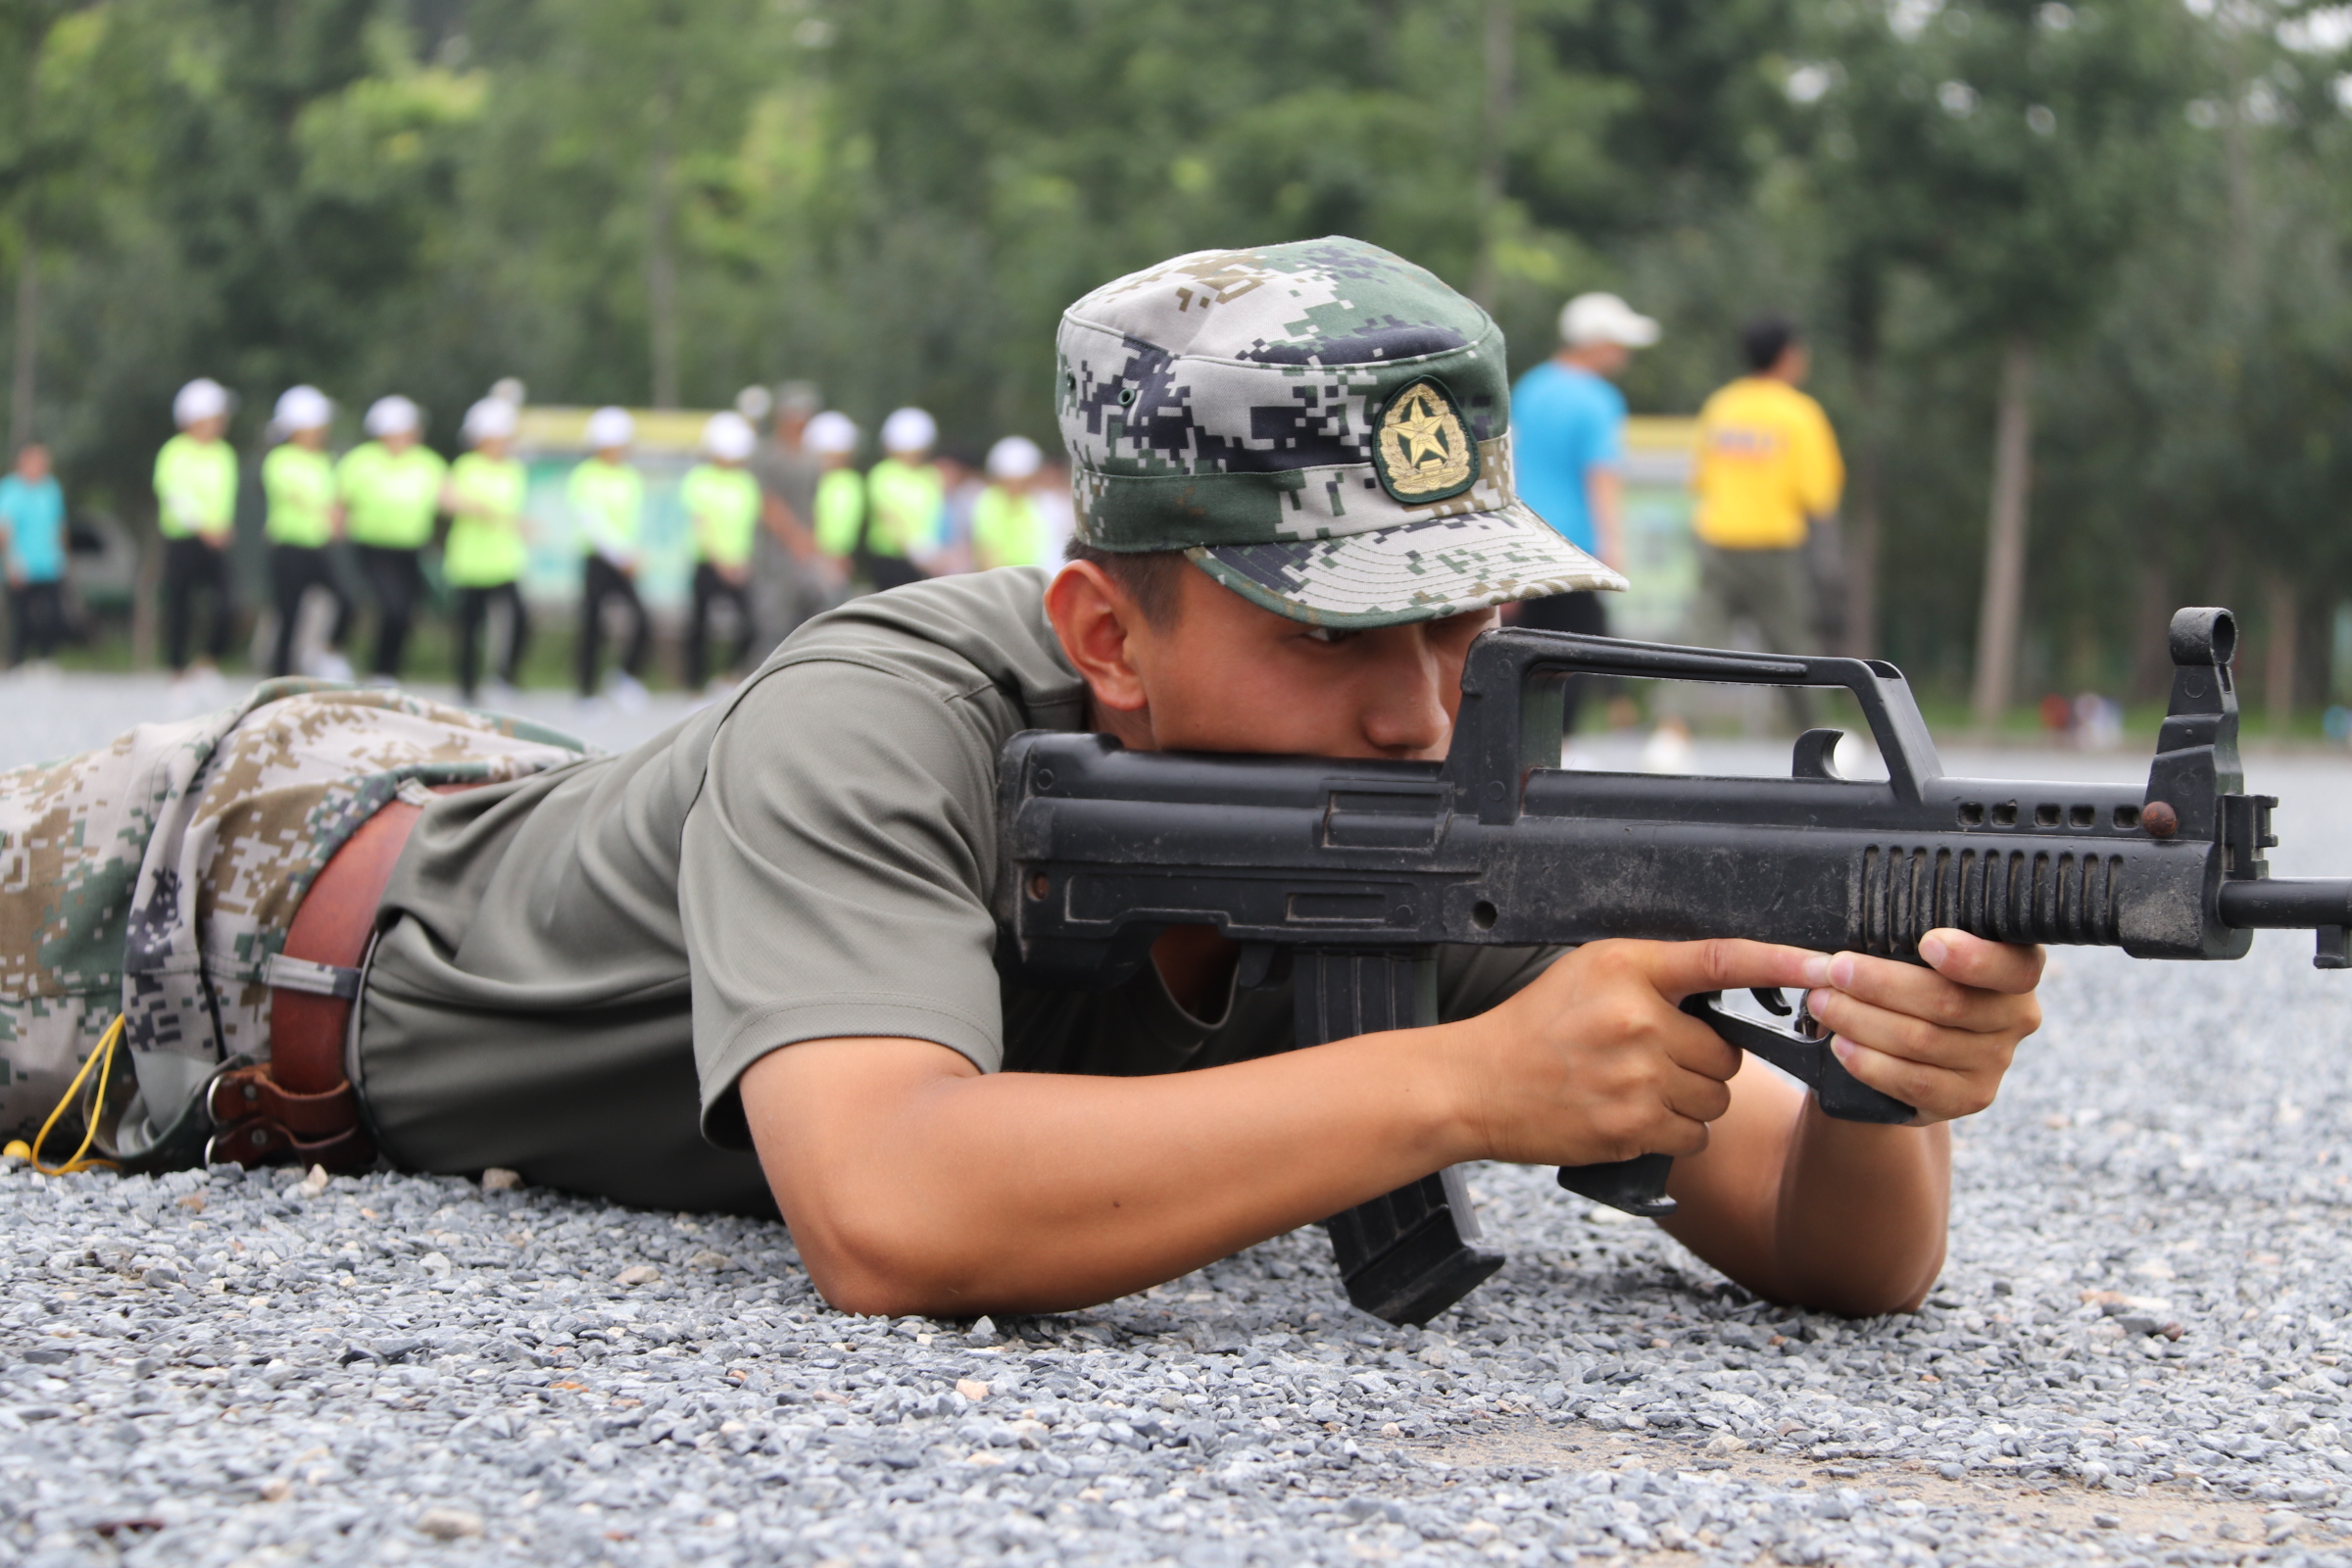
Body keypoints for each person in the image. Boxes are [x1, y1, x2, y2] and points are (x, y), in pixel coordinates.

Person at [0, 239, 2041, 1328]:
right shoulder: (889, 705)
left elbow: (1836, 1247)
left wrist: (1884, 1071)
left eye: (1465, 621)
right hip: (219, 888)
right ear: (1106, 629)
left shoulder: (1442, 792)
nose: (1426, 709)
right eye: (1337, 630)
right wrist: (1459, 1083)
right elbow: (891, 1206)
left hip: (529, 815)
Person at [1687, 316, 1844, 731]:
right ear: (1788, 356)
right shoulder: (1799, 413)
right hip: (1773, 543)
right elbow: (1819, 495)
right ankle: (1818, 733)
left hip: (1717, 538)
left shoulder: (1722, 405)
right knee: (1791, 643)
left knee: (1700, 635)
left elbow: (1700, 478)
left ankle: (1673, 730)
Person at [1512, 292, 1657, 735]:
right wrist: (1611, 541)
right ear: (1594, 343)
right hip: (1574, 543)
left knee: (1526, 647)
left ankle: (1518, 740)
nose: (1623, 353)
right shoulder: (1599, 399)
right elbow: (1601, 475)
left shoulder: (1530, 385)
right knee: (1575, 651)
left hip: (1524, 538)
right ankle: (1559, 743)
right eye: (1617, 342)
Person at [337, 395, 449, 683]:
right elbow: (339, 502)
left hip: (412, 550)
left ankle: (388, 670)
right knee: (389, 605)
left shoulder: (426, 462)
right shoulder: (361, 461)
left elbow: (449, 497)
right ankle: (371, 665)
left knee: (405, 611)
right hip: (372, 548)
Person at [261, 386, 354, 680]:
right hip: (288, 547)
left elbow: (336, 497)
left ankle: (323, 653)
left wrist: (339, 515)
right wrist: (327, 511)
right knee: (289, 616)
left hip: (317, 548)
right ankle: (279, 677)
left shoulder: (325, 460)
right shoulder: (279, 459)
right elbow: (295, 494)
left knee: (345, 601)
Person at [443, 397, 532, 704]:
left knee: (521, 619)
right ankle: (467, 687)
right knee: (471, 629)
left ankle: (504, 673)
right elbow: (449, 500)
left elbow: (511, 510)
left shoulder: (513, 470)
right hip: (471, 562)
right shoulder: (465, 466)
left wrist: (519, 525)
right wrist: (478, 508)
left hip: (505, 560)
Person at [153, 377, 239, 689]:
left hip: (216, 541)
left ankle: (207, 663)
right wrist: (203, 527)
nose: (221, 421)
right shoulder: (174, 452)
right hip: (184, 540)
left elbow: (225, 496)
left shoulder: (224, 453)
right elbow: (174, 496)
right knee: (180, 605)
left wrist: (224, 526)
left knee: (229, 603)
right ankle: (176, 669)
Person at [568, 406, 649, 708]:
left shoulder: (630, 476)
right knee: (592, 625)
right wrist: (622, 554)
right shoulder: (585, 475)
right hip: (599, 560)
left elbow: (633, 519)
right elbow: (592, 522)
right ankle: (585, 692)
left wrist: (634, 552)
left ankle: (624, 676)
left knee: (642, 619)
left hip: (627, 561)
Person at [747, 381, 832, 649]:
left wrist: (815, 545)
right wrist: (797, 539)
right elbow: (767, 503)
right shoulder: (766, 453)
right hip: (773, 553)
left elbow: (812, 504)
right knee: (772, 623)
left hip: (804, 550)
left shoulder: (813, 458)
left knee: (814, 615)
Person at [683, 411, 762, 692]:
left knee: (752, 626)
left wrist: (743, 561)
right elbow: (700, 524)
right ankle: (694, 687)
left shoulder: (746, 482)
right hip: (708, 563)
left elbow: (750, 527)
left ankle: (728, 678)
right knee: (699, 627)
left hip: (739, 565)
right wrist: (720, 562)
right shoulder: (699, 478)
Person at [861, 407, 945, 591]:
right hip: (891, 558)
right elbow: (887, 515)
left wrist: (933, 552)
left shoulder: (931, 475)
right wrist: (917, 551)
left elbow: (936, 516)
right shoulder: (882, 473)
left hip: (927, 559)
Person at [0, 442, 68, 669]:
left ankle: (45, 659)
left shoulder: (51, 489)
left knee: (54, 613)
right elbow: (4, 530)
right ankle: (16, 661)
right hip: (22, 564)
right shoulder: (10, 489)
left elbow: (58, 526)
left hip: (48, 563)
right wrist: (10, 562)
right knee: (22, 617)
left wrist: (62, 558)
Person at [970, 436, 1054, 570]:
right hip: (1005, 579)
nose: (1015, 486)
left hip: (1038, 577)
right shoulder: (989, 501)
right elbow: (986, 549)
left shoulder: (1039, 501)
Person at [804, 411, 865, 584]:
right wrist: (827, 558)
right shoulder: (811, 482)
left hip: (841, 561)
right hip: (813, 560)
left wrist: (840, 556)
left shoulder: (851, 480)